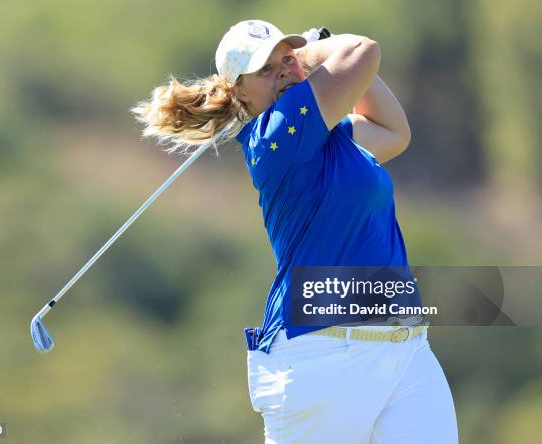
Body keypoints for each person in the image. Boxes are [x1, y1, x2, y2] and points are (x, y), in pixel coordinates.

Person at [133, 19, 458, 444]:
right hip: (321, 358)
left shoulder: (330, 135)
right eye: (265, 70)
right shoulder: (276, 138)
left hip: (405, 348)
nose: (283, 71)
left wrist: (315, 58)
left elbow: (394, 133)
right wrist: (311, 53)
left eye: (284, 60)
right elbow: (363, 52)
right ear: (239, 92)